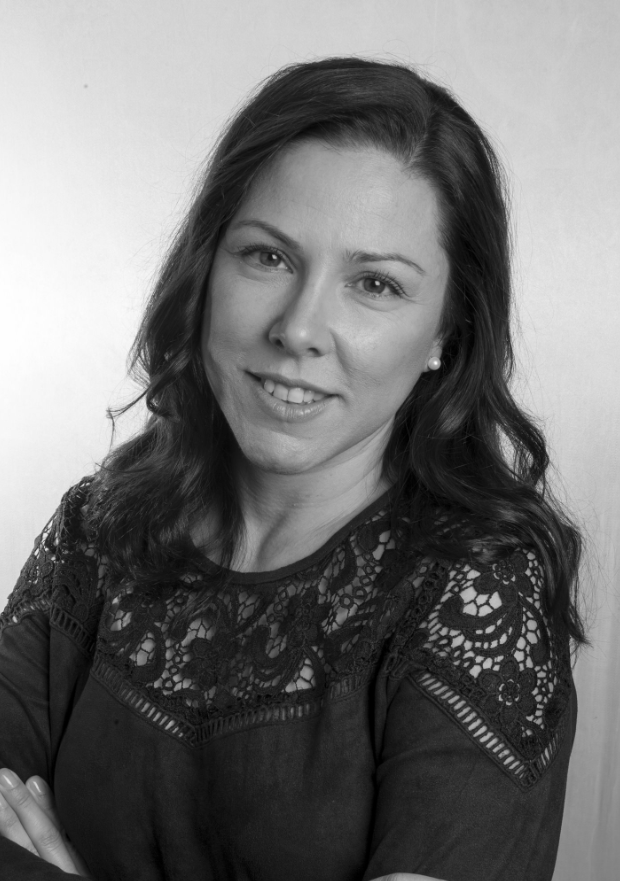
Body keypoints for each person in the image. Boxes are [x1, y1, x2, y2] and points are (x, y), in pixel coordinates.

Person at [0, 57, 587, 881]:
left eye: (374, 283)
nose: (300, 328)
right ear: (208, 266)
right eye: (268, 257)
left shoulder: (475, 594)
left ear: (446, 333)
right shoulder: (100, 526)